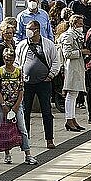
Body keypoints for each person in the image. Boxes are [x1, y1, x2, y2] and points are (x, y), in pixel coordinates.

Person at [15, 20, 60, 149]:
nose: (28, 31)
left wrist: (51, 75)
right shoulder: (22, 45)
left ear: (37, 30)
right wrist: (20, 77)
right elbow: (17, 62)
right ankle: (25, 139)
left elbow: (55, 61)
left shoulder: (48, 44)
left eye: (31, 28)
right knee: (25, 111)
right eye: (27, 28)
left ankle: (49, 139)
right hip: (27, 83)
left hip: (44, 83)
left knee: (46, 111)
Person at [0, 48, 38, 165]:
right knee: (4, 129)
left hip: (16, 105)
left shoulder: (19, 71)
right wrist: (3, 104)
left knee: (22, 128)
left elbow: (21, 89)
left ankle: (27, 154)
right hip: (3, 105)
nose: (8, 61)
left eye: (10, 59)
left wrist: (16, 106)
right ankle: (7, 154)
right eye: (6, 59)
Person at [59, 15, 88, 131]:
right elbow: (67, 53)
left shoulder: (77, 35)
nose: (82, 26)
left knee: (74, 94)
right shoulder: (68, 35)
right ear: (74, 24)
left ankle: (72, 118)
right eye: (80, 24)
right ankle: (68, 119)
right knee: (71, 94)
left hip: (78, 67)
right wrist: (81, 52)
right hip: (71, 68)